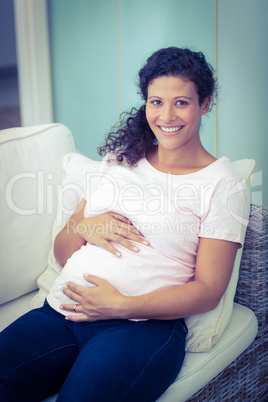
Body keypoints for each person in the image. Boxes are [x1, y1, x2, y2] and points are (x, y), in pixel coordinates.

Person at [0, 47, 249, 402]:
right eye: (155, 101)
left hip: (138, 329)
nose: (166, 115)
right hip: (58, 313)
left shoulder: (222, 183)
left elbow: (209, 289)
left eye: (181, 102)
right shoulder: (120, 158)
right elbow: (61, 249)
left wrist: (120, 306)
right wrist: (84, 225)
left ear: (205, 104)